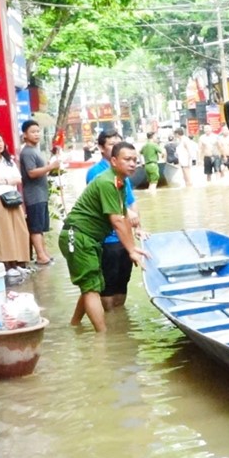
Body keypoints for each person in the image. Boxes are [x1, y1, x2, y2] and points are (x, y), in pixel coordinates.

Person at [59, 141, 148, 332]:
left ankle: (74, 326)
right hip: (78, 235)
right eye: (127, 159)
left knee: (92, 285)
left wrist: (134, 241)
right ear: (114, 161)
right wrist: (131, 250)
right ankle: (103, 338)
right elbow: (116, 221)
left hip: (89, 238)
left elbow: (124, 217)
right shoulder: (107, 182)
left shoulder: (120, 182)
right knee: (91, 288)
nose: (132, 164)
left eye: (135, 160)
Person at [86, 129, 144, 311]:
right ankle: (109, 323)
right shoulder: (97, 173)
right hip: (106, 237)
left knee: (122, 282)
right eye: (111, 144)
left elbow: (131, 201)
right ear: (102, 149)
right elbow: (111, 207)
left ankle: (119, 323)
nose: (131, 163)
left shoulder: (124, 173)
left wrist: (138, 228)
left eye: (133, 160)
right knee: (107, 285)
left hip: (124, 237)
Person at [0, 132, 31, 276]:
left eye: (1, 141)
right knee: (4, 232)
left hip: (13, 198)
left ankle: (18, 263)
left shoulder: (8, 160)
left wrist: (6, 181)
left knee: (20, 229)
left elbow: (19, 178)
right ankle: (8, 266)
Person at [19, 119, 61, 265]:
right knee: (36, 227)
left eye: (38, 131)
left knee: (41, 227)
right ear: (25, 134)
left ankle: (44, 253)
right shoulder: (27, 152)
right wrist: (50, 167)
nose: (37, 134)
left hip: (41, 194)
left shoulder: (35, 150)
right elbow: (31, 173)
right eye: (33, 132)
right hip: (34, 195)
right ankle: (40, 256)